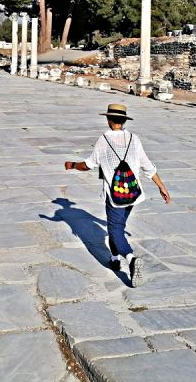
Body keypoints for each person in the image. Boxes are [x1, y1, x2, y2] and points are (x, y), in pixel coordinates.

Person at [64, 103, 170, 287]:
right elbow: (147, 165)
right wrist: (161, 186)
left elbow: (88, 164)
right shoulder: (133, 139)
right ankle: (114, 258)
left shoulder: (104, 140)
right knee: (118, 227)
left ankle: (131, 259)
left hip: (114, 196)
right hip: (132, 194)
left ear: (108, 119)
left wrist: (72, 165)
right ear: (123, 120)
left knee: (115, 230)